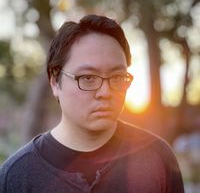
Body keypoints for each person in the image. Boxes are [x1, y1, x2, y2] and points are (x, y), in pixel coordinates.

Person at [0, 14, 184, 193]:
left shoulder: (157, 158)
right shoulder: (15, 177)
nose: (105, 92)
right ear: (55, 81)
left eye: (117, 77)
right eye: (88, 78)